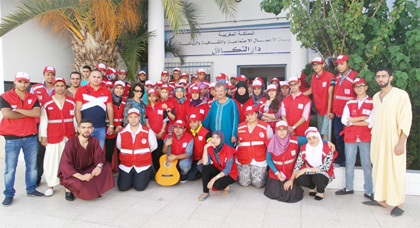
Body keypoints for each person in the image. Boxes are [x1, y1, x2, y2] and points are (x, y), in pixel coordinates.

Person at [362, 68, 412, 217]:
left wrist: (401, 142)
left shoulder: (401, 95)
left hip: (394, 139)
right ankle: (382, 199)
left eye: (384, 76)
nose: (380, 79)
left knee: (395, 170)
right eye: (378, 76)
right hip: (378, 138)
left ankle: (399, 203)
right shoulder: (376, 97)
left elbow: (406, 119)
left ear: (390, 77)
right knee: (379, 168)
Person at [0, 72, 44, 206]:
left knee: (32, 167)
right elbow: (7, 115)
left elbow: (37, 113)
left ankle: (31, 189)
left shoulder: (33, 97)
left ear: (28, 83)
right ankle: (8, 194)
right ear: (15, 82)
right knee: (10, 168)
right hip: (12, 138)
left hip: (30, 136)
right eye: (20, 81)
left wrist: (17, 109)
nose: (23, 84)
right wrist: (28, 113)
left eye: (25, 82)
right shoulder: (5, 96)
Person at [335, 78, 374, 200]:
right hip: (350, 137)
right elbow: (344, 120)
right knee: (349, 163)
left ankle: (369, 191)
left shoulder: (373, 102)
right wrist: (361, 118)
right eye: (356, 87)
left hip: (365, 137)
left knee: (367, 164)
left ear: (366, 87)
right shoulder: (349, 103)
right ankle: (348, 188)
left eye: (361, 86)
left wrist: (353, 120)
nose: (359, 88)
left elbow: (370, 122)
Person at [58, 119, 114, 201]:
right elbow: (65, 165)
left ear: (92, 129)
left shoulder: (94, 141)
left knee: (107, 167)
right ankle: (68, 189)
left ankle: (93, 189)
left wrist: (98, 167)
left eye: (89, 127)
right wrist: (81, 176)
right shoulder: (71, 143)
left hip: (87, 169)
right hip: (73, 173)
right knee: (77, 183)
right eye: (83, 127)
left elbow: (100, 156)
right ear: (79, 129)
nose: (86, 130)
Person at [39, 78, 76, 197]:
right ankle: (50, 185)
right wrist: (43, 136)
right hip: (53, 136)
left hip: (69, 136)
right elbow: (44, 120)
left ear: (65, 87)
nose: (60, 88)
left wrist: (76, 132)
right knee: (51, 160)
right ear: (54, 87)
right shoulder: (46, 102)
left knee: (68, 161)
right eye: (57, 85)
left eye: (62, 85)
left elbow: (75, 119)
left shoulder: (72, 102)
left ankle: (68, 184)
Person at [287, 127, 336, 200]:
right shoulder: (304, 148)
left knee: (318, 178)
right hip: (309, 171)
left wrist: (305, 170)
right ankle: (312, 187)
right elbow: (298, 164)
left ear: (318, 137)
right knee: (299, 177)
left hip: (322, 172)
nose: (312, 140)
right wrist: (291, 179)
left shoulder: (327, 148)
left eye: (314, 137)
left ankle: (320, 191)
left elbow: (325, 167)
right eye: (309, 139)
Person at [116, 108, 157, 191]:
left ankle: (147, 174)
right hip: (126, 166)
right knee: (122, 188)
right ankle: (133, 177)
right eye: (131, 117)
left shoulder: (148, 131)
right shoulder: (122, 132)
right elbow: (119, 147)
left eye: (135, 117)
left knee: (139, 187)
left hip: (142, 165)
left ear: (139, 118)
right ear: (127, 118)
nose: (133, 119)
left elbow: (153, 146)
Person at [264, 121, 304, 203]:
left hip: (290, 173)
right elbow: (269, 159)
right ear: (276, 131)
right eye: (279, 129)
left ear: (287, 130)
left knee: (291, 194)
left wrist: (327, 142)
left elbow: (312, 139)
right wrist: (276, 173)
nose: (282, 132)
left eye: (284, 129)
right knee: (273, 192)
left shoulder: (295, 140)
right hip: (276, 173)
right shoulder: (271, 142)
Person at [75, 69, 114, 149]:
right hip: (86, 128)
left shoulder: (106, 91)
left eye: (98, 77)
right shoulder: (81, 90)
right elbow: (78, 109)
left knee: (99, 153)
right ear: (89, 77)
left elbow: (110, 109)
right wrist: (80, 126)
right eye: (94, 77)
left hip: (101, 128)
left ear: (102, 78)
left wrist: (111, 125)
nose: (96, 79)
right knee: (85, 153)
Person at [236, 106, 273, 188]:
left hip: (259, 158)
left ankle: (265, 173)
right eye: (247, 115)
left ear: (256, 114)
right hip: (244, 158)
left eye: (252, 114)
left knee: (258, 184)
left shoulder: (265, 127)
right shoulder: (240, 127)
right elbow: (238, 142)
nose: (250, 117)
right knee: (244, 183)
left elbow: (270, 143)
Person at [331, 55, 359, 166]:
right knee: (338, 137)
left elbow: (358, 97)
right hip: (338, 114)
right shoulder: (337, 77)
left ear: (348, 64)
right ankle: (340, 157)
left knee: (349, 138)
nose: (339, 66)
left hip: (349, 116)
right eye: (338, 64)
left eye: (342, 64)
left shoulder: (355, 77)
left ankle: (349, 160)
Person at [31, 66, 56, 186]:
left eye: (52, 74)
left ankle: (54, 177)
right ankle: (37, 176)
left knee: (53, 151)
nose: (50, 77)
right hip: (39, 123)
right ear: (43, 75)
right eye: (48, 74)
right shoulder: (35, 88)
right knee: (40, 151)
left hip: (54, 124)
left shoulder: (59, 87)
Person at [198, 131, 238, 201]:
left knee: (217, 185)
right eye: (213, 137)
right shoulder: (210, 148)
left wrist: (213, 179)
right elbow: (205, 163)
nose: (214, 140)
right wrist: (205, 148)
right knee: (205, 167)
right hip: (219, 169)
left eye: (217, 138)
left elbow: (227, 170)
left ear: (221, 139)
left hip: (230, 174)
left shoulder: (229, 150)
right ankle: (205, 192)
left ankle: (226, 185)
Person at [303, 57, 335, 140]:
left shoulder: (330, 76)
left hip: (327, 109)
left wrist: (329, 110)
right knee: (320, 132)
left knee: (325, 133)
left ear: (323, 65)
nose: (316, 66)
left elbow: (330, 94)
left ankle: (327, 151)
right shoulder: (314, 77)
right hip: (319, 109)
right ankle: (322, 150)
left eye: (318, 64)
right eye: (314, 65)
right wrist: (298, 95)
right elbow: (311, 90)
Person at [202, 82, 239, 147]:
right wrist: (200, 126)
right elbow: (209, 118)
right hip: (215, 136)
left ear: (225, 91)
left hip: (228, 135)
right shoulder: (214, 103)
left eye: (221, 91)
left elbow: (235, 119)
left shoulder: (231, 102)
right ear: (215, 92)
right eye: (217, 91)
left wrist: (234, 134)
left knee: (228, 153)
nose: (219, 93)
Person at [145, 88, 168, 172]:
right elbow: (146, 122)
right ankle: (157, 172)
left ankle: (162, 171)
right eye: (150, 96)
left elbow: (165, 120)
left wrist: (161, 131)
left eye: (153, 96)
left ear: (157, 97)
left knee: (160, 154)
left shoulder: (161, 106)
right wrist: (153, 133)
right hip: (151, 135)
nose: (151, 98)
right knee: (153, 154)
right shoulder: (146, 108)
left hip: (161, 134)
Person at [105, 81, 126, 164]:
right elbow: (105, 116)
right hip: (110, 130)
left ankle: (121, 168)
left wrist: (121, 126)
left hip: (122, 129)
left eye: (121, 88)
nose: (119, 90)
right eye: (117, 88)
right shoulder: (108, 100)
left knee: (121, 150)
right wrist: (113, 128)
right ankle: (108, 170)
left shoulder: (125, 101)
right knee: (109, 151)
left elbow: (127, 115)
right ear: (114, 89)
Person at [187, 114, 211, 181]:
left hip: (203, 159)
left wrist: (203, 159)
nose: (192, 124)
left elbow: (211, 147)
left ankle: (206, 172)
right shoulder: (189, 132)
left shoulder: (206, 133)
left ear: (199, 122)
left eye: (194, 122)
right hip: (194, 159)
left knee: (191, 177)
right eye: (190, 122)